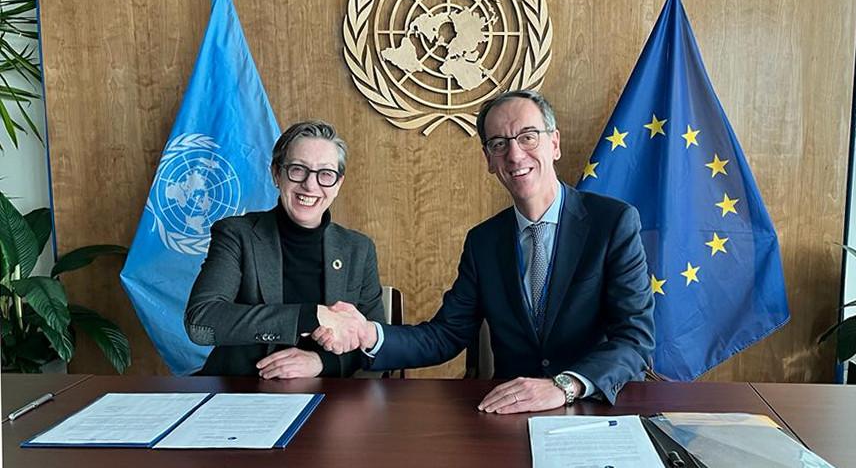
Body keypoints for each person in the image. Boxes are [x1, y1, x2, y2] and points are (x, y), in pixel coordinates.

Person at [313, 90, 655, 413]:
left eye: (528, 137)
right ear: (489, 159)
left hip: (594, 406)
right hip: (510, 412)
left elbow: (635, 339)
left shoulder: (613, 223)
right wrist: (367, 333)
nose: (515, 154)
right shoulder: (484, 241)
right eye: (499, 143)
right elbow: (446, 335)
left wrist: (563, 385)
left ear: (554, 143)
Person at [185, 120, 385, 378]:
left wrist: (322, 363)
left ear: (338, 184)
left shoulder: (358, 249)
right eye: (298, 170)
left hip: (327, 395)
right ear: (277, 174)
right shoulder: (236, 234)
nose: (310, 186)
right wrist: (309, 316)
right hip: (240, 390)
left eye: (325, 174)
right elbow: (201, 322)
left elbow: (377, 343)